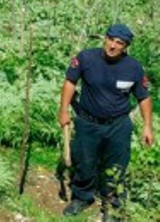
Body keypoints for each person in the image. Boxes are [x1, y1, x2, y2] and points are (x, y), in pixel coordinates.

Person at [58, 24, 154, 218]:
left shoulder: (133, 67)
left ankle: (111, 204)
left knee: (116, 165)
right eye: (110, 39)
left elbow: (144, 97)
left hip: (118, 125)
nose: (112, 45)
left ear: (125, 46)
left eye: (119, 43)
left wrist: (147, 126)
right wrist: (63, 110)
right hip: (88, 122)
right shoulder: (86, 58)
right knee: (85, 161)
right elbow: (70, 82)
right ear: (105, 38)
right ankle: (82, 197)